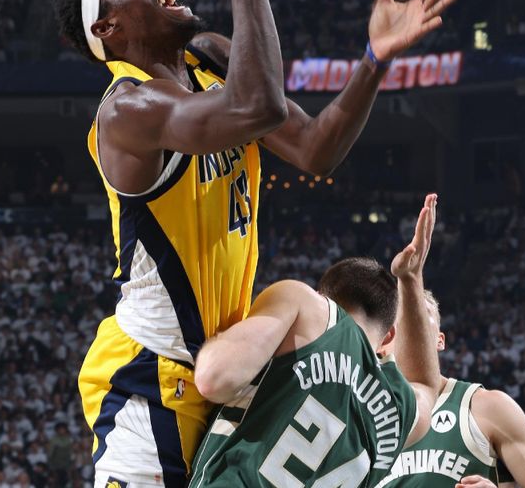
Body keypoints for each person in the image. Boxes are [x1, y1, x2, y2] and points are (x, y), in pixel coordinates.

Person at [54, 0, 458, 485]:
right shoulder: (127, 110)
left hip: (230, 372)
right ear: (108, 26)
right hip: (152, 379)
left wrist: (374, 59)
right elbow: (260, 104)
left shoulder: (211, 60)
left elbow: (316, 148)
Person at [188, 195, 442, 486]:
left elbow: (213, 378)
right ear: (390, 335)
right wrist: (410, 278)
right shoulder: (398, 409)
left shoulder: (308, 308)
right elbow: (426, 385)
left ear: (325, 298)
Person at [374, 291, 525, 488]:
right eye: (400, 314)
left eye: (420, 312)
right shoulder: (363, 425)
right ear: (382, 342)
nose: (411, 321)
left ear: (440, 340)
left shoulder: (486, 407)